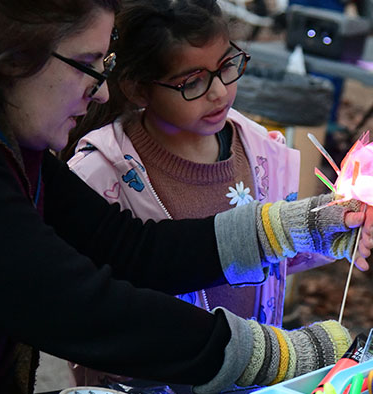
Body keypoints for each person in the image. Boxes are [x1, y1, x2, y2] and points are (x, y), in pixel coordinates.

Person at [0, 0, 373, 393]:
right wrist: (272, 355)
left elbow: (128, 247)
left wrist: (295, 226)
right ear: (14, 57)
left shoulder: (3, 145)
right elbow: (82, 307)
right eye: (88, 65)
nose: (102, 91)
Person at [62, 0, 343, 385]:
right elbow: (88, 310)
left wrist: (330, 231)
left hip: (260, 381)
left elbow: (273, 258)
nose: (219, 92)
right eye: (191, 81)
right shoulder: (99, 174)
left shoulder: (261, 150)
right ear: (138, 89)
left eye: (227, 66)